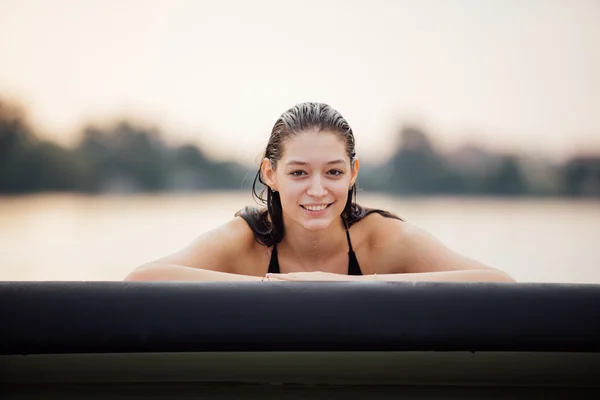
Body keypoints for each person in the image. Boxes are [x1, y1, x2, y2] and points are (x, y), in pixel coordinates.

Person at [125, 102, 515, 283]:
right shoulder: (244, 240)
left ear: (352, 173)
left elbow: (499, 284)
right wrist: (275, 287)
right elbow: (141, 280)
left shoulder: (385, 239)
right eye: (298, 172)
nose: (318, 189)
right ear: (271, 174)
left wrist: (355, 286)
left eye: (333, 172)